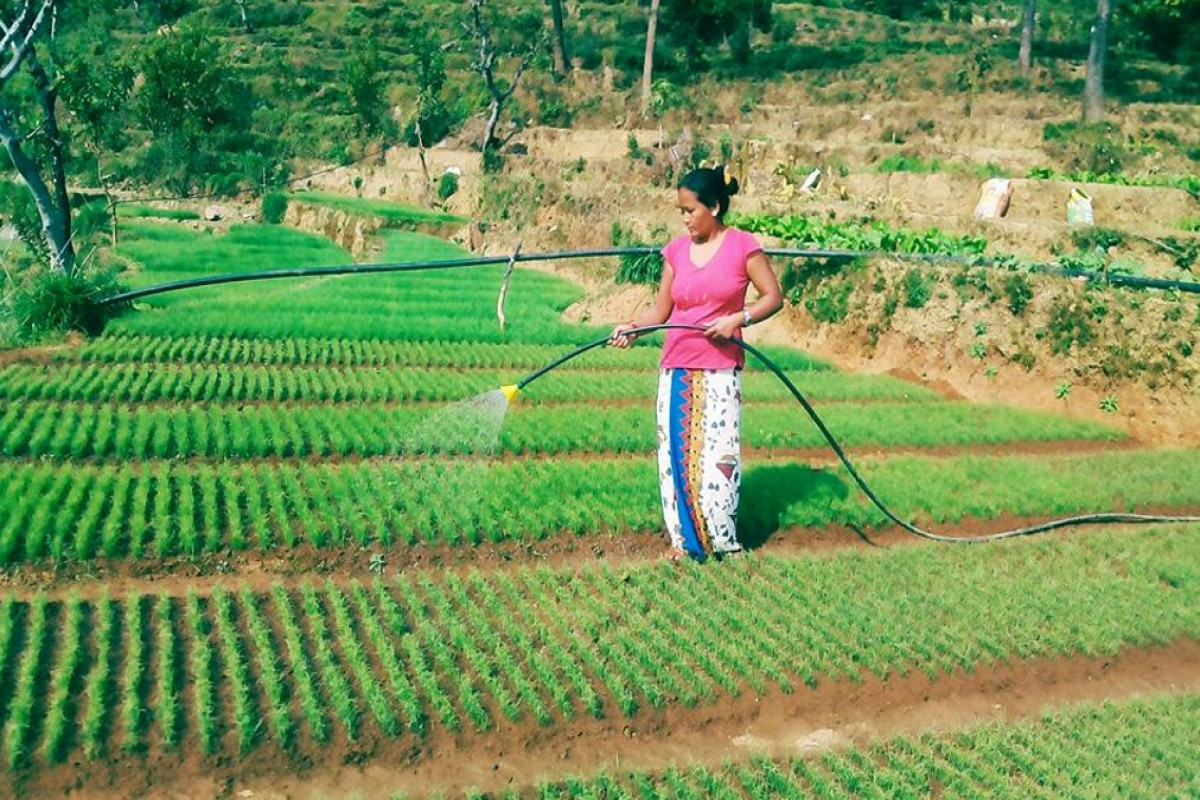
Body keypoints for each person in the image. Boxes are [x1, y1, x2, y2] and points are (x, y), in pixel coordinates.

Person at [611, 165, 782, 562]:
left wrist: (738, 319)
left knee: (718, 458)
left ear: (715, 207)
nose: (685, 218)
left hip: (720, 370)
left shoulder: (743, 246)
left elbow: (773, 296)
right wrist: (633, 328)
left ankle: (722, 542)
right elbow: (661, 311)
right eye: (681, 211)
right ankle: (683, 544)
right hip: (677, 370)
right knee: (675, 458)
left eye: (691, 210)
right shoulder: (675, 251)